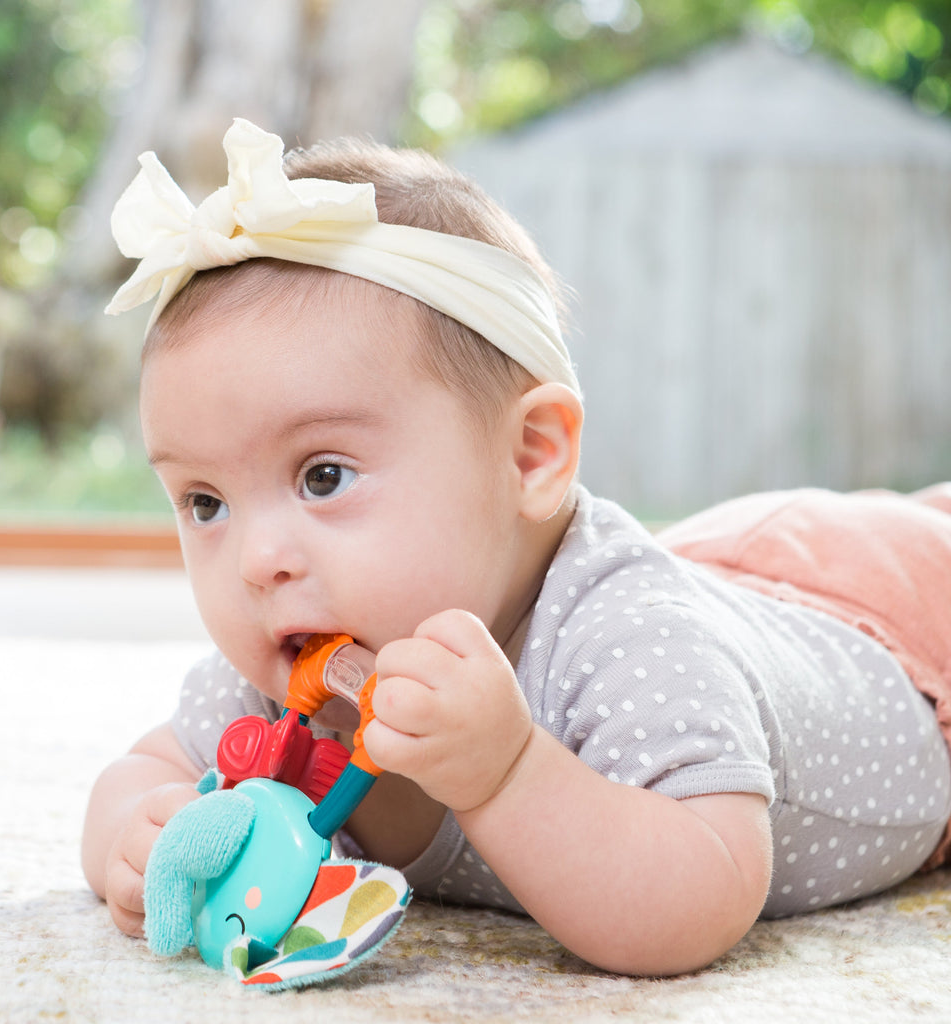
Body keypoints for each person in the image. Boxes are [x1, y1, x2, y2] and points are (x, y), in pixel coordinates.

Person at [82, 118, 951, 977]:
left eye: (323, 477)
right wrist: (139, 831)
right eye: (206, 502)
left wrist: (506, 774)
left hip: (891, 615)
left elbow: (705, 895)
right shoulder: (278, 680)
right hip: (727, 577)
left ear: (529, 457)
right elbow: (147, 767)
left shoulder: (628, 639)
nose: (256, 560)